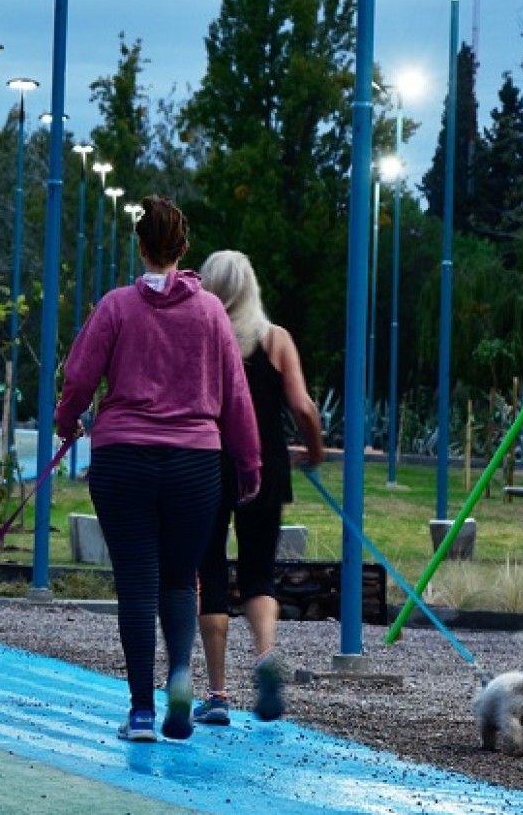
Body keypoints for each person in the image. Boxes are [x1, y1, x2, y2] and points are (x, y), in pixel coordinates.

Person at [54, 196, 261, 743]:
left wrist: (65, 419)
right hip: (195, 464)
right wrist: (249, 460)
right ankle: (180, 677)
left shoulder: (116, 307)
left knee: (137, 585)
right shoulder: (212, 312)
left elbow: (79, 375)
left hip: (123, 460)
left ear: (140, 246)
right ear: (183, 248)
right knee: (178, 579)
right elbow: (235, 395)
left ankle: (141, 712)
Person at [194, 249, 326, 725]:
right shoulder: (276, 340)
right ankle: (266, 660)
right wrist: (314, 450)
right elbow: (303, 407)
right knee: (259, 571)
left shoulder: (200, 339)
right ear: (252, 287)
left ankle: (217, 694)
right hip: (266, 465)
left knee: (209, 572)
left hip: (206, 462)